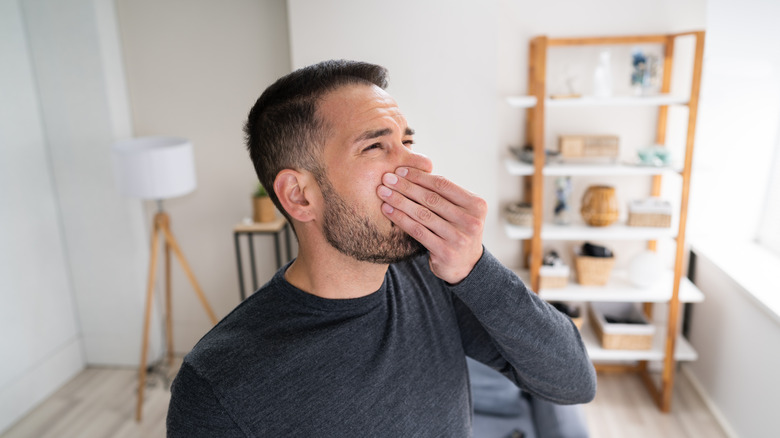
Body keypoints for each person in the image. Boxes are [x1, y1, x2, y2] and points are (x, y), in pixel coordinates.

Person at [166, 60, 596, 437]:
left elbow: (574, 382)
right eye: (375, 146)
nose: (419, 163)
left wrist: (476, 269)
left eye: (406, 141)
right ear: (298, 195)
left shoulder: (434, 278)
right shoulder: (217, 385)